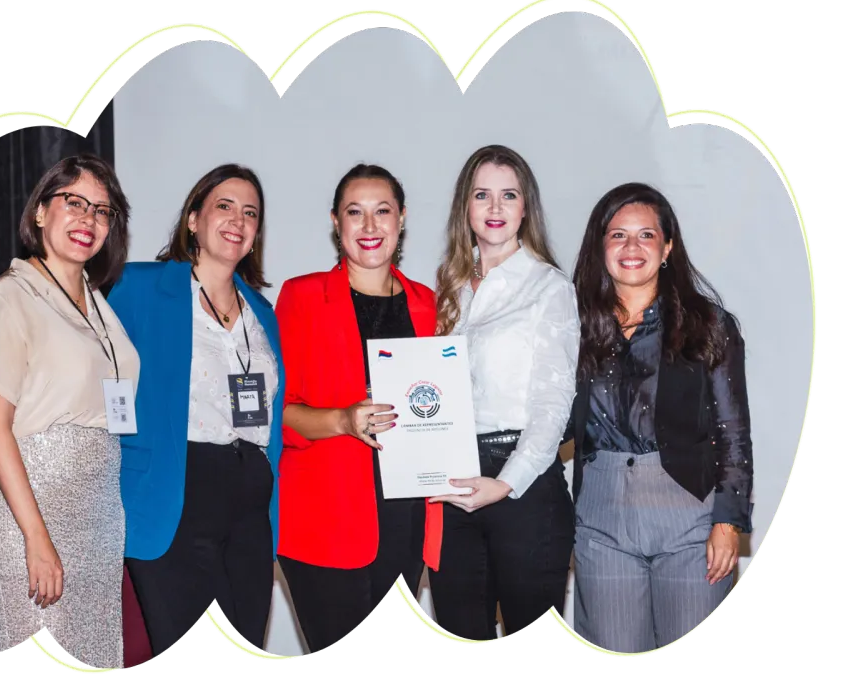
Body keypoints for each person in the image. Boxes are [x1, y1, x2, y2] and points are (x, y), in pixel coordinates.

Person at [564, 182, 753, 653]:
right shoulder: (570, 325)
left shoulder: (708, 325)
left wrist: (728, 523)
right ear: (600, 246)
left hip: (690, 514)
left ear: (667, 247)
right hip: (601, 517)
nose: (632, 247)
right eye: (618, 235)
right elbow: (553, 419)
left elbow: (733, 432)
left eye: (646, 235)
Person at [104, 164, 285, 657]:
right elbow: (97, 373)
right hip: (175, 494)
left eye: (250, 212)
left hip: (250, 506)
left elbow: (269, 417)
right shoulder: (138, 287)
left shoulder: (261, 313)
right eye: (224, 206)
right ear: (192, 219)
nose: (238, 220)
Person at [0, 154, 140, 668]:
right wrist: (37, 538)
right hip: (31, 510)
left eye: (102, 211)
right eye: (75, 203)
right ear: (41, 212)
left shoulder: (98, 303)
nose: (89, 219)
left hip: (97, 516)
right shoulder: (12, 295)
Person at [274, 164, 443, 654]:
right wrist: (342, 420)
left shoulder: (429, 304)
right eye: (355, 212)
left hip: (406, 520)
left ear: (402, 218)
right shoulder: (302, 296)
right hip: (325, 519)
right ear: (336, 222)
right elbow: (275, 411)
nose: (370, 226)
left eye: (382, 211)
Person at [426, 145, 580, 640]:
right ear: (465, 207)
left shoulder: (549, 287)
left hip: (525, 489)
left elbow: (554, 404)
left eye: (508, 195)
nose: (495, 208)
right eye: (482, 195)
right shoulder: (449, 287)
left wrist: (507, 482)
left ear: (525, 207)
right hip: (454, 485)